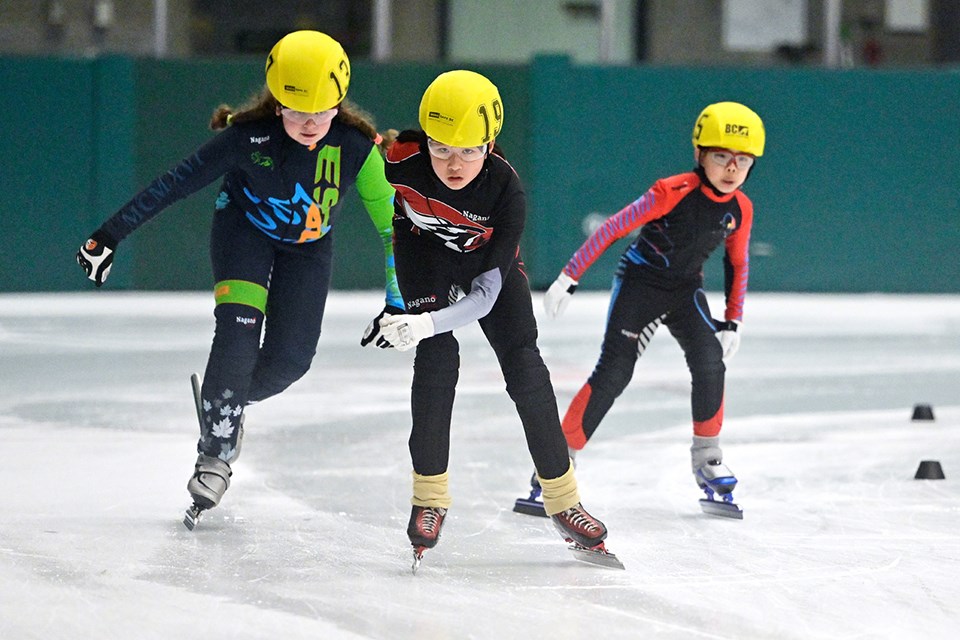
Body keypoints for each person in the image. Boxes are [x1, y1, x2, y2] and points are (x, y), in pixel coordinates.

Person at [76, 30, 402, 525]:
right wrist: (108, 235)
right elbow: (173, 184)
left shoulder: (359, 148)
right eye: (297, 113)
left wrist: (398, 301)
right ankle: (216, 451)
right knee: (237, 334)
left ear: (339, 105)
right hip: (243, 235)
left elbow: (391, 229)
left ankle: (225, 399)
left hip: (308, 251)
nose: (311, 124)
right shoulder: (245, 140)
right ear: (277, 106)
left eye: (322, 112)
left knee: (291, 362)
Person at [363, 70, 614, 564]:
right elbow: (340, 134)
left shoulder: (506, 192)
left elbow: (483, 296)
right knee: (437, 362)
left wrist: (423, 322)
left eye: (469, 151)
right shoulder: (399, 159)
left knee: (524, 366)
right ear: (425, 140)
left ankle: (563, 501)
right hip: (423, 260)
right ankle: (429, 498)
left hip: (486, 271)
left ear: (490, 144)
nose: (454, 164)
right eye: (441, 150)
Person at [541, 101, 765, 508]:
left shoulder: (740, 208)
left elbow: (738, 261)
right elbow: (613, 228)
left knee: (710, 361)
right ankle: (556, 466)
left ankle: (708, 459)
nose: (732, 168)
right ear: (699, 155)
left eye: (743, 160)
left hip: (685, 290)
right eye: (721, 157)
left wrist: (734, 320)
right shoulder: (672, 190)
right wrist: (569, 275)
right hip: (640, 285)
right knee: (614, 373)